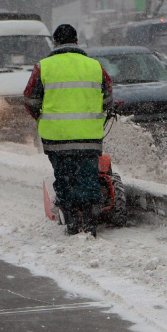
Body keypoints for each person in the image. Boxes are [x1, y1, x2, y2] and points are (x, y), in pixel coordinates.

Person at [24, 24, 113, 237]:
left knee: (64, 177)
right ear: (76, 42)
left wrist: (43, 117)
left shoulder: (43, 67)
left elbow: (30, 99)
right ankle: (91, 223)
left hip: (57, 137)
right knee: (88, 176)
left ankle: (72, 223)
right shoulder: (95, 66)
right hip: (89, 137)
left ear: (55, 42)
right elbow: (108, 99)